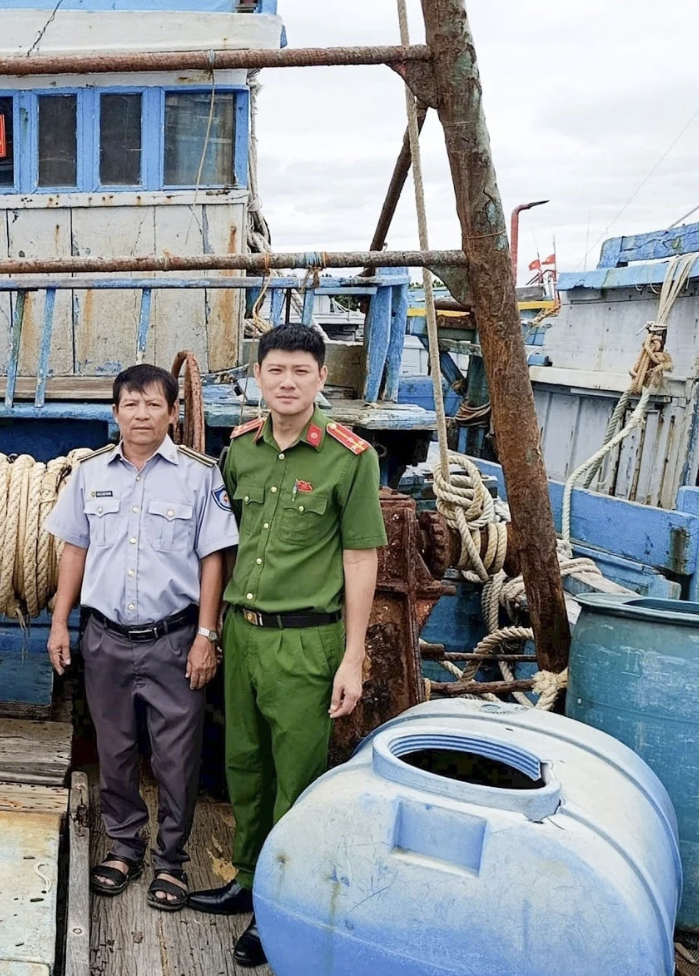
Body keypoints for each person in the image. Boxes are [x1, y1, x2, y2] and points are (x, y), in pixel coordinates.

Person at [187, 323, 387, 967]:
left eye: (301, 371)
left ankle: (281, 907)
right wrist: (211, 633)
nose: (287, 382)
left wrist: (353, 655)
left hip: (306, 642)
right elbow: (221, 547)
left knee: (296, 779)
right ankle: (247, 879)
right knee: (244, 765)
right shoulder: (240, 450)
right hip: (243, 636)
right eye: (275, 370)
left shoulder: (351, 457)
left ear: (320, 379)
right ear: (258, 377)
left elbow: (360, 558)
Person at [45, 364, 238, 911]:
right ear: (115, 413)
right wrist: (60, 622)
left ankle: (172, 861)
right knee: (115, 750)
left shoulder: (200, 476)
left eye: (154, 405)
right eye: (131, 405)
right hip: (104, 638)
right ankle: (124, 846)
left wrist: (207, 634)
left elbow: (213, 558)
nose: (142, 415)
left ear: (173, 413)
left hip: (174, 640)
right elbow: (74, 551)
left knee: (178, 757)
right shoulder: (88, 474)